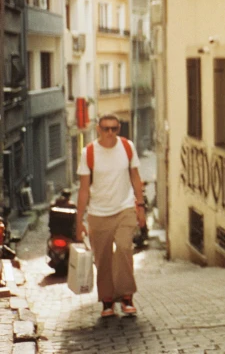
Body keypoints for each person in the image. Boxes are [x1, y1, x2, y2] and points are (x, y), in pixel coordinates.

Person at [75, 114, 146, 317]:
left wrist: (140, 206)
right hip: (98, 212)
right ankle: (107, 300)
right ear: (98, 129)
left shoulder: (127, 147)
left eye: (114, 129)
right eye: (106, 129)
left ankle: (126, 296)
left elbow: (135, 177)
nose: (110, 133)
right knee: (103, 258)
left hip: (124, 208)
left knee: (124, 248)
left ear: (119, 128)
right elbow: (83, 190)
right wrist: (79, 221)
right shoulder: (88, 152)